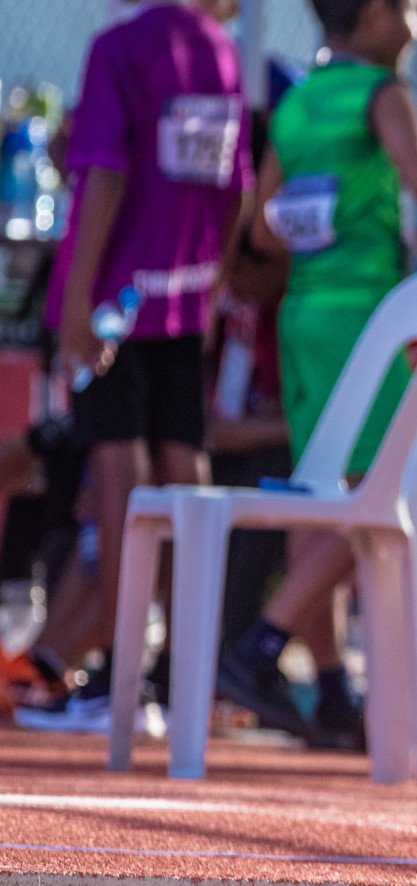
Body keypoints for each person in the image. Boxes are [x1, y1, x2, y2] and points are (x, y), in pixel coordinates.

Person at [220, 0, 417, 744]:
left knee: (323, 492)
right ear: (374, 14)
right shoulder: (383, 93)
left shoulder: (301, 99)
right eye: (409, 9)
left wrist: (323, 233)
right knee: (377, 489)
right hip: (366, 319)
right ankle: (260, 646)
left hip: (304, 315)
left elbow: (261, 225)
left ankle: (334, 688)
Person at [41, 0, 253, 726]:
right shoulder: (223, 56)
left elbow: (104, 174)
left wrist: (76, 305)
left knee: (118, 480)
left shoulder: (121, 47)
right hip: (182, 303)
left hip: (111, 305)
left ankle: (114, 675)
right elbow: (235, 192)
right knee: (182, 474)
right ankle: (175, 673)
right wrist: (210, 288)